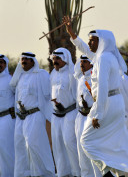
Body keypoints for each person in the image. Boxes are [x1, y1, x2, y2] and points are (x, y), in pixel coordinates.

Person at [63, 16, 128, 176]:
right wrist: (72, 34)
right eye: (90, 40)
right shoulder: (105, 57)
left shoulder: (103, 58)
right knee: (116, 142)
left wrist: (98, 113)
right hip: (114, 102)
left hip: (107, 103)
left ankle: (106, 172)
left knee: (86, 140)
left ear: (102, 41)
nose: (90, 43)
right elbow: (84, 49)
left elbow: (103, 87)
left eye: (93, 40)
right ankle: (123, 173)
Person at [9, 52, 55, 177]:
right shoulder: (20, 77)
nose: (23, 61)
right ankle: (24, 173)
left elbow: (48, 94)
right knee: (21, 147)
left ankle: (45, 173)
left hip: (35, 114)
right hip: (21, 117)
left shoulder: (41, 75)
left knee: (34, 144)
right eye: (22, 59)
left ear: (33, 62)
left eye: (27, 60)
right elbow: (12, 88)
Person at [50, 47, 81, 177]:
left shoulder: (72, 74)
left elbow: (77, 96)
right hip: (56, 115)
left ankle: (76, 172)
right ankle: (63, 173)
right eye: (54, 59)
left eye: (58, 58)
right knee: (58, 144)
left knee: (69, 142)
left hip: (70, 113)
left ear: (65, 59)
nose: (55, 61)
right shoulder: (53, 74)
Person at [74, 55, 102, 177]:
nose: (82, 64)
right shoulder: (80, 78)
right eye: (81, 62)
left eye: (85, 61)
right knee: (81, 150)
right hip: (81, 116)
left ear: (91, 63)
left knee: (93, 149)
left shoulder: (95, 78)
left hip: (92, 117)